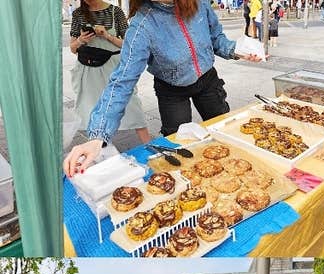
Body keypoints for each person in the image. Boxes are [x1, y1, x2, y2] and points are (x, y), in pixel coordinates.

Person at [63, 0, 264, 177]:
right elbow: (122, 81)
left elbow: (217, 39)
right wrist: (98, 136)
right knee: (177, 150)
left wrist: (236, 50)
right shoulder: (142, 26)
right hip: (171, 90)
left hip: (208, 81)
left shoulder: (200, 3)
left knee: (225, 132)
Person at [69, 0, 152, 147]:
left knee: (131, 104)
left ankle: (150, 145)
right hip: (89, 70)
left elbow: (128, 43)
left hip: (113, 67)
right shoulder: (78, 14)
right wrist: (81, 40)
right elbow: (73, 48)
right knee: (92, 108)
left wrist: (107, 35)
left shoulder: (115, 11)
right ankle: (98, 150)